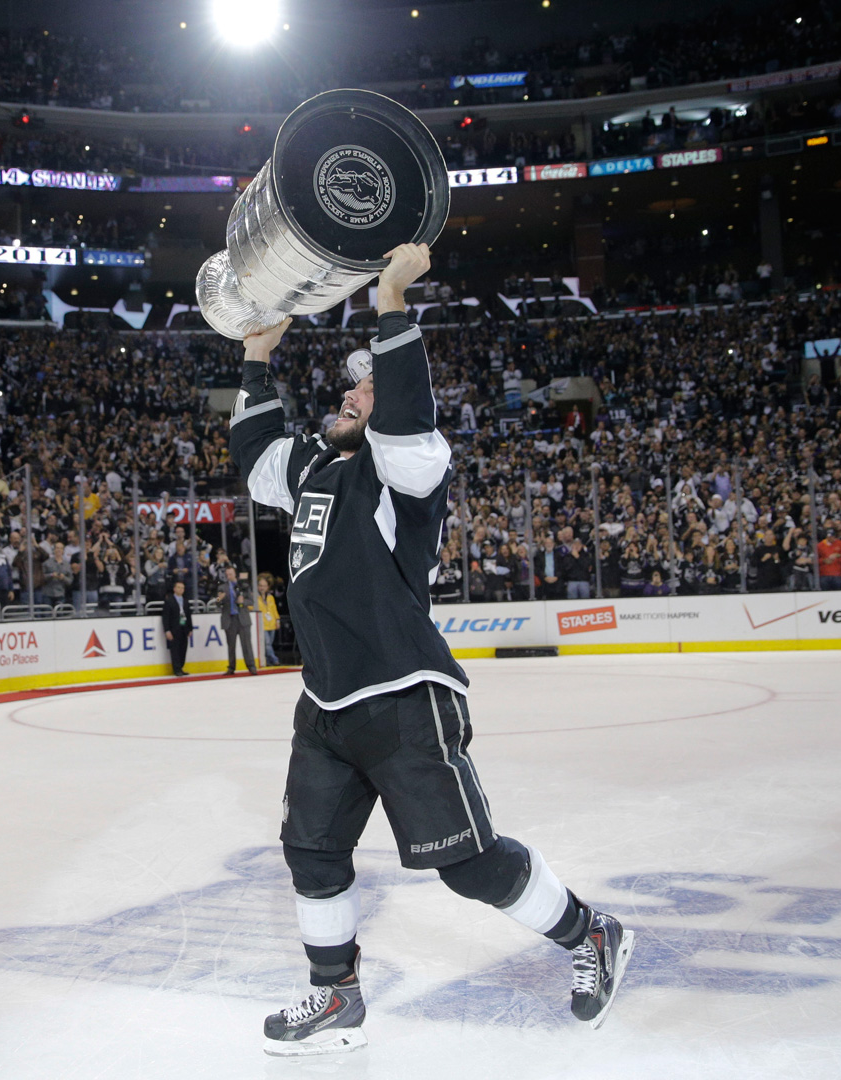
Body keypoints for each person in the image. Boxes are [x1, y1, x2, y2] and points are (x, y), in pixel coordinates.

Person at [229, 244, 631, 1057]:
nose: (349, 393)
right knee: (311, 853)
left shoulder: (409, 469)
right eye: (350, 384)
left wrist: (390, 303)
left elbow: (408, 413)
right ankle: (335, 996)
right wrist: (256, 358)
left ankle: (591, 935)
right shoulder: (316, 468)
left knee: (469, 865)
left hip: (407, 697)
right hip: (328, 704)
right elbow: (258, 460)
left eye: (364, 388)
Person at [218, 565, 257, 675]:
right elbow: (216, 601)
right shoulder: (222, 587)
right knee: (231, 645)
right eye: (227, 574)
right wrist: (219, 599)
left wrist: (243, 601)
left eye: (230, 574)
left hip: (242, 618)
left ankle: (251, 666)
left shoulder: (243, 585)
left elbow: (251, 601)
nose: (229, 576)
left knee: (247, 644)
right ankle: (231, 667)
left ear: (234, 573)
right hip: (230, 619)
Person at [160, 578, 192, 677]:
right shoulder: (169, 601)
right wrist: (167, 630)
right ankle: (176, 669)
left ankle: (181, 667)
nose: (181, 589)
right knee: (175, 649)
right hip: (174, 628)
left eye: (182, 588)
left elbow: (188, 615)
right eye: (178, 587)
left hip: (184, 628)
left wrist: (190, 628)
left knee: (183, 648)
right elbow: (165, 617)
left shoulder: (185, 601)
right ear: (174, 589)